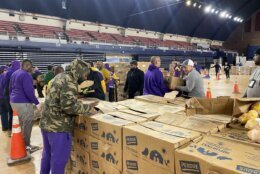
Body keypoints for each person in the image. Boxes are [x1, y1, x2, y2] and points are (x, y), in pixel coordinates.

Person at [39, 59, 98, 174]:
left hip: (46, 123)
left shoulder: (60, 76)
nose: (85, 78)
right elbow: (69, 107)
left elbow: (60, 99)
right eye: (85, 75)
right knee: (59, 160)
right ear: (79, 72)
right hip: (58, 128)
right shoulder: (70, 81)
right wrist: (88, 108)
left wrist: (77, 103)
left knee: (47, 155)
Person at [9, 59, 41, 153]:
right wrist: (37, 103)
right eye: (31, 67)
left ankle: (21, 144)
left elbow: (10, 88)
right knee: (27, 125)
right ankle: (26, 146)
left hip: (14, 102)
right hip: (23, 103)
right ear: (27, 66)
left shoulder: (15, 73)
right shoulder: (26, 75)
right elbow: (29, 92)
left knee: (21, 124)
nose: (32, 69)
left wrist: (13, 99)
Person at [0, 61, 20, 136]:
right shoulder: (8, 74)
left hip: (2, 97)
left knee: (3, 113)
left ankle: (5, 128)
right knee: (12, 113)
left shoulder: (5, 74)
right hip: (8, 96)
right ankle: (11, 129)